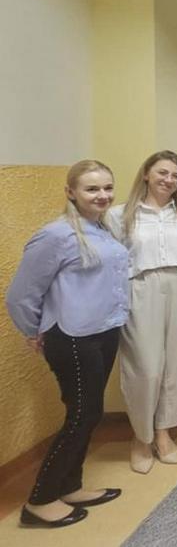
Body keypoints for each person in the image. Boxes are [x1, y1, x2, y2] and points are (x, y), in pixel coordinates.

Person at [6, 160, 127, 528]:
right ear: (71, 192)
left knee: (90, 412)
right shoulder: (56, 235)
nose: (102, 195)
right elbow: (21, 295)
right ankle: (40, 501)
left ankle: (69, 486)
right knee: (82, 415)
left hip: (104, 331)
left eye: (107, 187)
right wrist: (34, 331)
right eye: (92, 189)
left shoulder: (104, 228)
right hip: (72, 335)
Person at [106, 150, 177, 473]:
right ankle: (141, 436)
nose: (169, 180)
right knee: (145, 367)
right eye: (163, 173)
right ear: (147, 174)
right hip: (140, 288)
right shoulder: (120, 215)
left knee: (174, 366)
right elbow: (112, 262)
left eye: (176, 176)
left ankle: (163, 432)